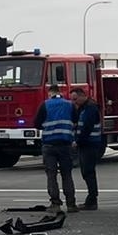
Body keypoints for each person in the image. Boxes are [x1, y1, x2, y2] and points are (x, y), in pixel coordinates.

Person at [32, 84, 77, 212]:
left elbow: (37, 124)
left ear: (49, 93)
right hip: (65, 144)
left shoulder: (44, 105)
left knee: (51, 175)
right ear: (60, 92)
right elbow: (75, 120)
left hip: (49, 145)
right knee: (67, 175)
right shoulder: (70, 105)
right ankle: (71, 204)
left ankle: (55, 204)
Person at [70, 85, 103, 211]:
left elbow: (87, 128)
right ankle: (91, 199)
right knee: (87, 172)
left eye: (75, 99)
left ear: (83, 96)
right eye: (73, 100)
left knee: (88, 172)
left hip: (89, 144)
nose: (74, 102)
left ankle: (92, 200)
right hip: (88, 144)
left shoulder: (89, 108)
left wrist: (77, 141)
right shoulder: (84, 108)